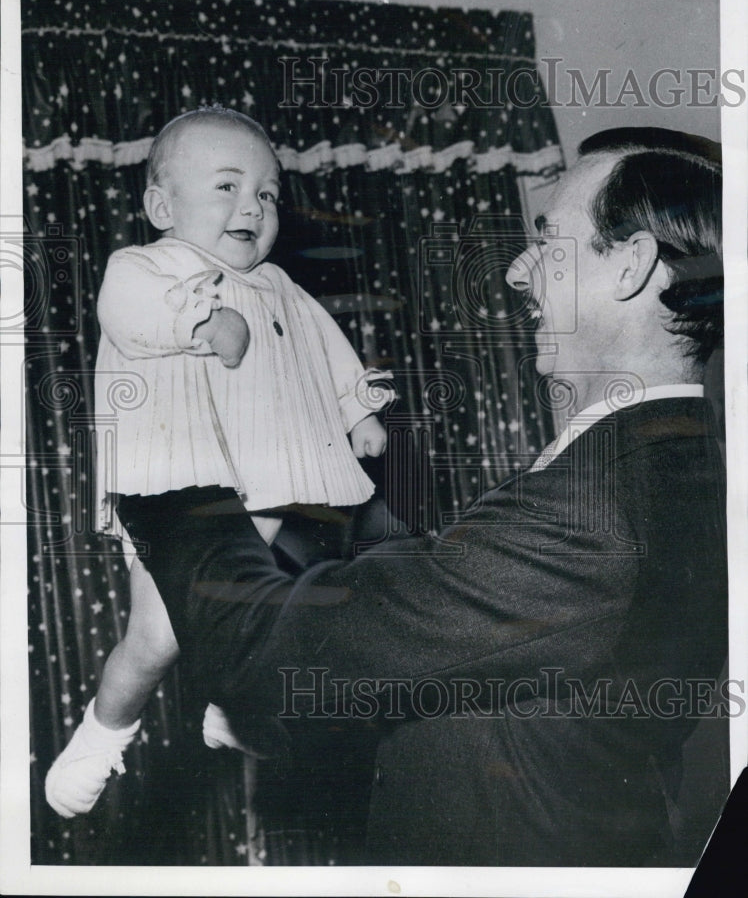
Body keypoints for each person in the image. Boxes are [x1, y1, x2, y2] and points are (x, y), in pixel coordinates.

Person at [97, 126, 728, 865]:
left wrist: (166, 482)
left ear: (630, 265)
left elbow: (271, 658)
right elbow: (447, 637)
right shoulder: (670, 463)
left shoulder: (599, 513)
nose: (520, 272)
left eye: (548, 239)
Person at [44, 106, 392, 818]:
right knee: (160, 634)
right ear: (161, 206)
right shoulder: (148, 264)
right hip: (178, 474)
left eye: (266, 193)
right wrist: (197, 324)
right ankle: (105, 729)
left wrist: (356, 408)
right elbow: (127, 311)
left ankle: (233, 708)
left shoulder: (281, 286)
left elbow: (326, 351)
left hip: (262, 472)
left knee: (247, 603)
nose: (252, 207)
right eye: (228, 187)